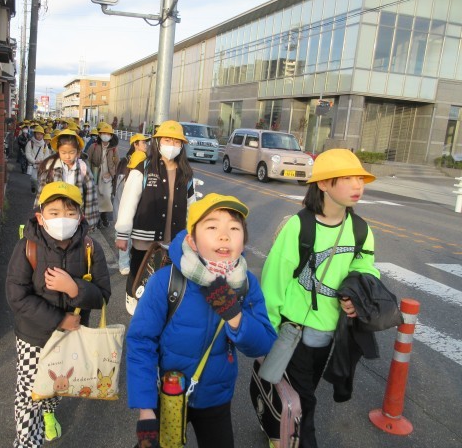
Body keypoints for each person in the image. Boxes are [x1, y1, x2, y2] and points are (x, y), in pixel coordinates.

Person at [127, 193, 277, 448]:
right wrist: (146, 408)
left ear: (243, 241)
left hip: (215, 397)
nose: (224, 236)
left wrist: (235, 317)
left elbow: (264, 345)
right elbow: (141, 341)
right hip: (168, 392)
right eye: (212, 227)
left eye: (234, 228)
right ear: (192, 241)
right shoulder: (167, 280)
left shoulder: (244, 284)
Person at [259, 148, 379, 448]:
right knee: (304, 400)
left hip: (330, 330)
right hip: (294, 330)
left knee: (302, 390)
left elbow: (365, 268)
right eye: (348, 178)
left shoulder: (361, 229)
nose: (357, 185)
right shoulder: (299, 226)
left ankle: (279, 429)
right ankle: (296, 438)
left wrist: (356, 294)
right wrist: (267, 331)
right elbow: (274, 281)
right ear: (323, 184)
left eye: (360, 179)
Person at [6, 181, 111, 447]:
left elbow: (103, 295)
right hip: (33, 337)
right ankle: (27, 442)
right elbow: (17, 296)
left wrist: (74, 288)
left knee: (58, 383)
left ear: (80, 217)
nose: (62, 219)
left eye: (70, 212)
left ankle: (49, 411)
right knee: (29, 393)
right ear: (41, 217)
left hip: (69, 338)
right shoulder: (28, 247)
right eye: (54, 212)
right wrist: (59, 319)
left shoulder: (90, 248)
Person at [115, 120, 195, 315]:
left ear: (182, 146)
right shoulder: (143, 168)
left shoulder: (186, 173)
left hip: (173, 237)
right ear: (158, 142)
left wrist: (193, 234)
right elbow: (128, 202)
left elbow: (192, 206)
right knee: (139, 268)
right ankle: (132, 296)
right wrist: (122, 234)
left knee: (165, 274)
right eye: (167, 140)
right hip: (145, 234)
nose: (172, 145)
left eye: (176, 142)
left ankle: (158, 306)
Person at [35, 129, 99, 229]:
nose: (68, 156)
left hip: (75, 217)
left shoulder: (83, 168)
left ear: (78, 151)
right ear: (58, 151)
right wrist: (38, 216)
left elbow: (91, 195)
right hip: (54, 217)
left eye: (72, 152)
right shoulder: (50, 167)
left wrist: (89, 222)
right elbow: (41, 194)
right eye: (63, 152)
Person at [112, 133, 149, 275]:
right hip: (124, 206)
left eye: (146, 142)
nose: (146, 145)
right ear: (135, 144)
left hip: (139, 209)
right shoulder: (126, 163)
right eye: (143, 143)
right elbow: (120, 191)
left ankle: (131, 262)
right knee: (124, 235)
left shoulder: (146, 160)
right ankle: (123, 263)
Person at [87, 122, 119, 229]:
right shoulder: (94, 146)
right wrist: (89, 172)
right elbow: (88, 160)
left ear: (111, 136)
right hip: (95, 175)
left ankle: (103, 215)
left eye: (108, 133)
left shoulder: (114, 149)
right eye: (103, 133)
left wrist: (111, 173)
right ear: (100, 135)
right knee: (96, 197)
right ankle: (98, 218)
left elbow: (117, 164)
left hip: (108, 177)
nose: (105, 135)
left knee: (106, 196)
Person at [25, 125, 50, 194]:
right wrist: (35, 161)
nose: (39, 136)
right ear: (35, 134)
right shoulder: (30, 143)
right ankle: (33, 186)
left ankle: (39, 194)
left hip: (41, 165)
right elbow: (28, 154)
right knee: (33, 179)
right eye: (37, 134)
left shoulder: (44, 145)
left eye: (41, 134)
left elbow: (47, 155)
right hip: (33, 165)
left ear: (43, 135)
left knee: (40, 180)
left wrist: (43, 162)